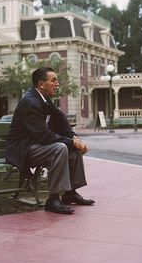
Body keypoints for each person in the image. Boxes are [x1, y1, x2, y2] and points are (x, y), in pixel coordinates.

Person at [6, 67, 95, 214]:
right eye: (53, 80)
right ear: (41, 84)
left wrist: (74, 138)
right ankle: (53, 200)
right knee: (60, 148)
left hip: (36, 145)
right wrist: (71, 141)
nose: (57, 84)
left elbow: (59, 118)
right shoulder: (30, 102)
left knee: (72, 149)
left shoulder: (43, 99)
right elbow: (44, 136)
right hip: (23, 150)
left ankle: (70, 193)